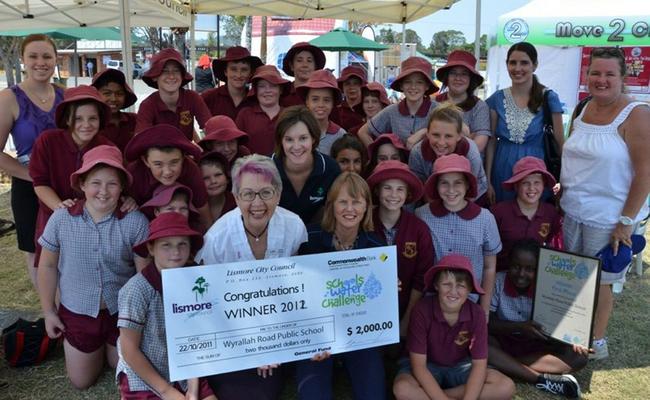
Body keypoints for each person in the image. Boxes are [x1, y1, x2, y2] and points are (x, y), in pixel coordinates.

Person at [560, 46, 650, 360]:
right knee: (574, 276)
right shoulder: (582, 107)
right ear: (587, 75)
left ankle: (595, 342)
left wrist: (626, 222)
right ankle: (571, 333)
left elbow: (645, 172)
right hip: (572, 210)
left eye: (609, 74)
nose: (601, 79)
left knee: (601, 282)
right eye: (595, 72)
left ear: (623, 78)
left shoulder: (636, 114)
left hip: (609, 218)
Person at [196, 154, 307, 400]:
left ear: (278, 193)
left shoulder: (294, 226)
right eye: (248, 194)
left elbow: (300, 286)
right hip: (230, 329)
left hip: (279, 327)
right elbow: (210, 302)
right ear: (235, 197)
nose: (257, 202)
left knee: (264, 388)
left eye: (266, 193)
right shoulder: (217, 237)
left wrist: (269, 342)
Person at [37, 145, 149, 389]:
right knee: (82, 382)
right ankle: (86, 347)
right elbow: (46, 266)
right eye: (95, 183)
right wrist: (49, 312)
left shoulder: (135, 222)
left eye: (112, 184)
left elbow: (143, 276)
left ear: (121, 188)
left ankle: (110, 347)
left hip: (120, 312)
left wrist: (144, 319)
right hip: (77, 312)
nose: (103, 191)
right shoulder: (61, 218)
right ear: (83, 184)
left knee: (122, 370)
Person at [297, 172, 387, 400]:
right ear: (331, 205)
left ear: (367, 206)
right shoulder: (311, 238)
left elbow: (377, 303)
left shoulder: (376, 244)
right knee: (313, 395)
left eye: (357, 202)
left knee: (374, 395)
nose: (350, 209)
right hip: (317, 335)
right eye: (343, 202)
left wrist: (388, 288)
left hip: (359, 334)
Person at [117, 212, 216, 400]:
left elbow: (195, 338)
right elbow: (129, 349)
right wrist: (167, 391)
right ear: (151, 248)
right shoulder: (137, 290)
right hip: (145, 373)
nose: (176, 252)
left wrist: (193, 390)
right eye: (166, 245)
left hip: (186, 369)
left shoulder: (195, 283)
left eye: (182, 244)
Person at [392, 254, 515, 400]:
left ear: (470, 289)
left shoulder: (477, 313)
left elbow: (479, 365)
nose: (453, 291)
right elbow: (419, 367)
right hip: (427, 366)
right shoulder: (421, 310)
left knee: (505, 386)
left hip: (460, 366)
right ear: (436, 285)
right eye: (446, 284)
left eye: (461, 285)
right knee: (402, 389)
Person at [0, 34, 63, 287]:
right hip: (28, 186)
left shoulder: (65, 95)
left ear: (56, 59)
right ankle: (50, 311)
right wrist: (34, 177)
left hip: (63, 183)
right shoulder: (9, 98)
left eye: (47, 56)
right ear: (22, 60)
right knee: (37, 254)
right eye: (33, 56)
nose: (41, 62)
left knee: (67, 250)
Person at [488, 239, 587, 399]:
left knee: (579, 357)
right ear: (508, 264)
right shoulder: (497, 281)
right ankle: (540, 379)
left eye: (529, 269)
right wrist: (519, 327)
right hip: (504, 339)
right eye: (516, 266)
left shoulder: (550, 286)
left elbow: (566, 319)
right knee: (481, 344)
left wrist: (575, 336)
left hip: (536, 347)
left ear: (539, 269)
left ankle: (506, 365)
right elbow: (488, 323)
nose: (521, 274)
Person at [29, 85, 116, 267]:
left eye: (92, 118)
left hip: (90, 220)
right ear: (67, 119)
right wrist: (60, 208)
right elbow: (40, 183)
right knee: (51, 266)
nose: (86, 124)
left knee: (80, 269)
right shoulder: (47, 141)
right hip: (53, 215)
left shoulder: (106, 147)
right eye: (78, 118)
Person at [415, 154, 501, 316]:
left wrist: (484, 309)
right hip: (431, 300)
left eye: (458, 183)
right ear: (436, 186)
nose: (451, 190)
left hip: (469, 301)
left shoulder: (485, 218)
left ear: (468, 185)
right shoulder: (422, 215)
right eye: (444, 183)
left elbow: (489, 267)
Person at [485, 42, 564, 203]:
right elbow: (491, 142)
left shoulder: (548, 98)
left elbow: (560, 143)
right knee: (504, 218)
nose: (517, 68)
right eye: (512, 62)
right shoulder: (497, 99)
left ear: (534, 65)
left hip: (535, 172)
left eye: (524, 62)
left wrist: (562, 181)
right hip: (502, 169)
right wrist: (487, 180)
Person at [366, 160, 433, 337]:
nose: (393, 194)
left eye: (400, 189)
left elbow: (421, 279)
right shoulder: (364, 224)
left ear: (408, 194)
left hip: (406, 309)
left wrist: (406, 323)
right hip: (366, 312)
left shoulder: (419, 229)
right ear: (377, 191)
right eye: (387, 188)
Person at [125, 124, 212, 228]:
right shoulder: (134, 173)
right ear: (145, 161)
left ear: (183, 157)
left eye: (174, 162)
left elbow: (204, 216)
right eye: (158, 164)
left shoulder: (191, 170)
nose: (167, 172)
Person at [271, 106, 341, 224]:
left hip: (317, 239)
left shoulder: (331, 169)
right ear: (281, 141)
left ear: (313, 138)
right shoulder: (265, 169)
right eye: (289, 139)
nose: (297, 146)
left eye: (303, 138)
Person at [491, 156, 561, 270]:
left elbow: (551, 245)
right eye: (525, 183)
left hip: (535, 275)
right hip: (503, 272)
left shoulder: (551, 213)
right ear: (516, 186)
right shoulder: (498, 212)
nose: (531, 188)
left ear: (544, 185)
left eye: (537, 182)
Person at [408, 104, 488, 202]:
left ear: (459, 136)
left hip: (472, 196)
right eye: (436, 135)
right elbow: (420, 186)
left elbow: (472, 186)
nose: (441, 143)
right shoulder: (418, 153)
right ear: (427, 133)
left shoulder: (470, 152)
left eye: (448, 136)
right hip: (432, 197)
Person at [357, 57, 438, 148]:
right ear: (401, 85)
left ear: (427, 86)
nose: (413, 87)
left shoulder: (438, 111)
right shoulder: (392, 111)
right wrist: (376, 154)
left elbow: (454, 131)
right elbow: (363, 132)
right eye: (408, 82)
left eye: (419, 82)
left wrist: (425, 131)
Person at [137, 48, 211, 142]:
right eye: (165, 71)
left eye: (176, 71)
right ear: (155, 76)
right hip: (157, 155)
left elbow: (210, 130)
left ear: (182, 76)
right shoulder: (147, 105)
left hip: (186, 154)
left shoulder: (192, 98)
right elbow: (140, 142)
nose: (171, 76)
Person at [435, 50, 491, 153]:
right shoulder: (434, 102)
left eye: (464, 74)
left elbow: (479, 145)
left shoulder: (479, 107)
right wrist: (468, 137)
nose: (458, 78)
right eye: (453, 73)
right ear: (447, 77)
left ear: (471, 79)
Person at [235, 65, 290, 156]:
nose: (267, 90)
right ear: (255, 91)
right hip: (252, 168)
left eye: (273, 86)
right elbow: (237, 146)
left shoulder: (290, 114)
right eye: (262, 86)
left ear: (280, 90)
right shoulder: (245, 115)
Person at [202, 46, 263, 120]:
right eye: (233, 69)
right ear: (225, 72)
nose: (238, 75)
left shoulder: (257, 100)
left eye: (244, 70)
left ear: (250, 73)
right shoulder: (210, 97)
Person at [296, 69, 347, 156]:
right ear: (307, 101)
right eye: (315, 99)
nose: (321, 105)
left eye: (326, 100)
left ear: (333, 103)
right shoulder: (295, 131)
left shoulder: (341, 135)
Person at [91, 68, 138, 152]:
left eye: (119, 94)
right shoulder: (90, 124)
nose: (113, 99)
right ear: (95, 95)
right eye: (107, 93)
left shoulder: (135, 120)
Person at [281, 42, 326, 107]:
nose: (305, 65)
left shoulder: (323, 93)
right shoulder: (283, 93)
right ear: (291, 66)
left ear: (315, 66)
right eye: (299, 60)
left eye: (309, 61)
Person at [199, 151, 236, 223]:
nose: (213, 181)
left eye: (218, 175)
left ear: (227, 178)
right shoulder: (192, 209)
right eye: (205, 178)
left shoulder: (237, 203)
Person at [335, 65, 367, 131]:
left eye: (356, 83)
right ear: (342, 87)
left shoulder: (369, 108)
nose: (351, 87)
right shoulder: (335, 111)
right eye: (347, 83)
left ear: (362, 87)